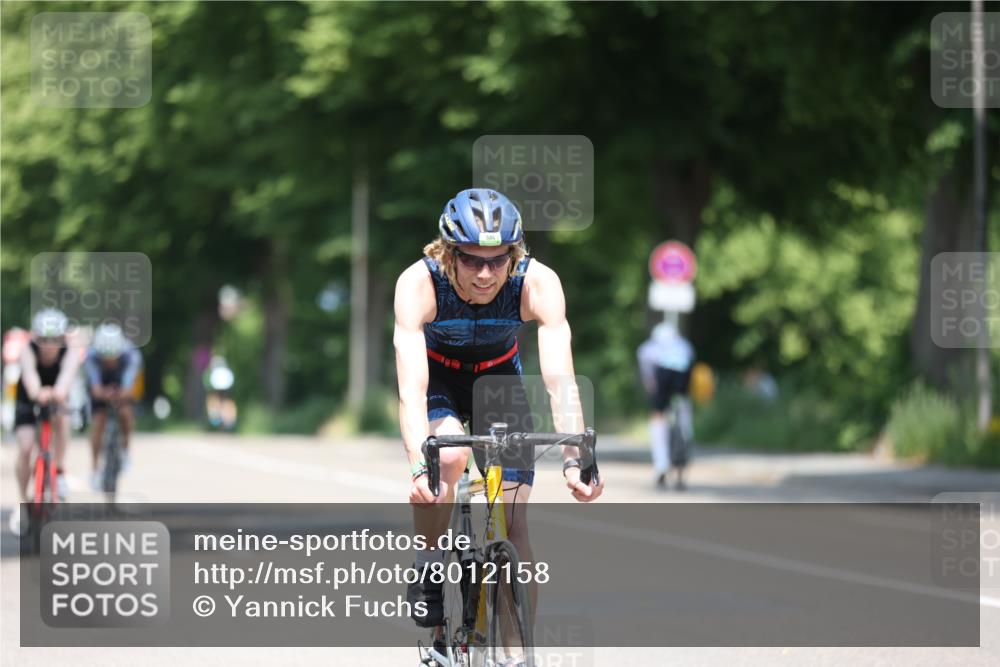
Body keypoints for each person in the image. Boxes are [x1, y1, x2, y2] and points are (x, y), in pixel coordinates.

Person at [394, 188, 604, 629]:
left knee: (511, 520)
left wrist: (576, 460)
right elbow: (412, 390)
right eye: (472, 260)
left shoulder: (537, 283)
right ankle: (429, 563)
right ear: (449, 254)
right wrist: (419, 468)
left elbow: (560, 379)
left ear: (514, 253)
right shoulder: (419, 283)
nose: (486, 273)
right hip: (440, 379)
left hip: (498, 377)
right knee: (448, 457)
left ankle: (514, 654)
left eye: (498, 259)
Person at [9, 308, 81, 536]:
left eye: (54, 340)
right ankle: (23, 503)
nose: (49, 345)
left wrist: (58, 392)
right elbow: (30, 378)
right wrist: (37, 392)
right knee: (26, 447)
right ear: (36, 338)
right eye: (43, 340)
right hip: (28, 399)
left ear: (61, 339)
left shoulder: (69, 352)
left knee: (63, 416)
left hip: (57, 395)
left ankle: (58, 470)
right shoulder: (27, 351)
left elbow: (67, 377)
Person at [637, 319, 695, 490]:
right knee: (684, 417)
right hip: (681, 384)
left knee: (658, 420)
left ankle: (661, 465)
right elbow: (691, 367)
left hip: (662, 381)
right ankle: (685, 436)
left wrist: (651, 387)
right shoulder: (685, 346)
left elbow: (648, 376)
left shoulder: (648, 349)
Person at [85, 323, 142, 489]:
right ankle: (95, 468)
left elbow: (128, 386)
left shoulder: (131, 355)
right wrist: (103, 394)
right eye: (105, 356)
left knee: (126, 412)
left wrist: (120, 394)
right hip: (101, 384)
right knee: (98, 421)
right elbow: (95, 388)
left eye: (113, 356)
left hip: (121, 382)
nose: (109, 360)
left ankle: (125, 450)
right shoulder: (91, 356)